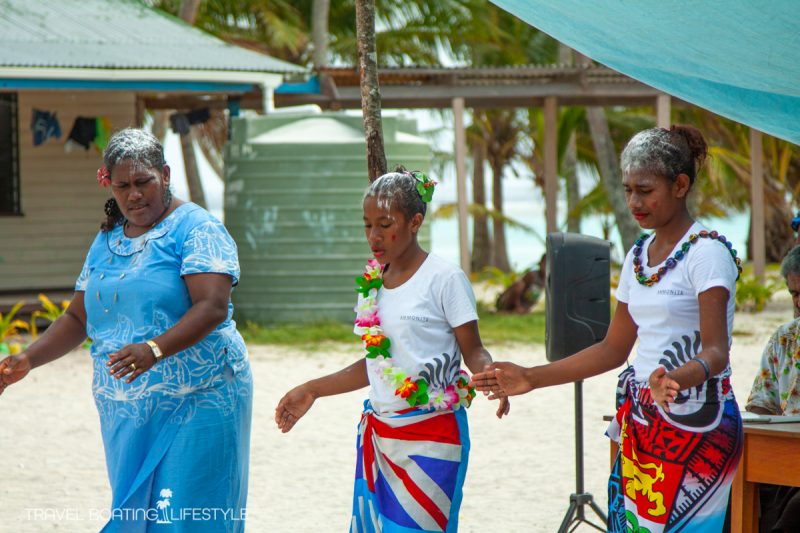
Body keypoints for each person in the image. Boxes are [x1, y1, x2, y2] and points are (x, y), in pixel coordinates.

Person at [473, 125, 744, 533]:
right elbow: (611, 350)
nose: (634, 201)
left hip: (697, 423)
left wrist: (673, 379)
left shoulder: (706, 253)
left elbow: (716, 352)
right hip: (642, 421)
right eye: (628, 189)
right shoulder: (639, 256)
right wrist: (531, 376)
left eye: (645, 190)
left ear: (681, 185)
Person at [0, 128, 252, 532]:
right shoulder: (107, 240)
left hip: (199, 397)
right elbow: (78, 318)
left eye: (143, 182)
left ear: (165, 175)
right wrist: (28, 359)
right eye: (123, 186)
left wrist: (153, 349)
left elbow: (212, 307)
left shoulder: (197, 229)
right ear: (108, 184)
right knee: (138, 516)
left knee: (188, 513)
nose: (134, 195)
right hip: (128, 409)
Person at [275, 168, 510, 532]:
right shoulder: (371, 286)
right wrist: (312, 389)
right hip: (381, 434)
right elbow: (376, 365)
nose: (374, 236)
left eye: (385, 224)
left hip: (433, 435)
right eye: (367, 225)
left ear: (415, 222)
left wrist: (489, 375)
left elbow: (473, 349)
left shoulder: (445, 279)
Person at [745, 245, 800, 532]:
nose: (799, 302)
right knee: (732, 493)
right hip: (783, 453)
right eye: (795, 294)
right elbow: (760, 404)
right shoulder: (785, 338)